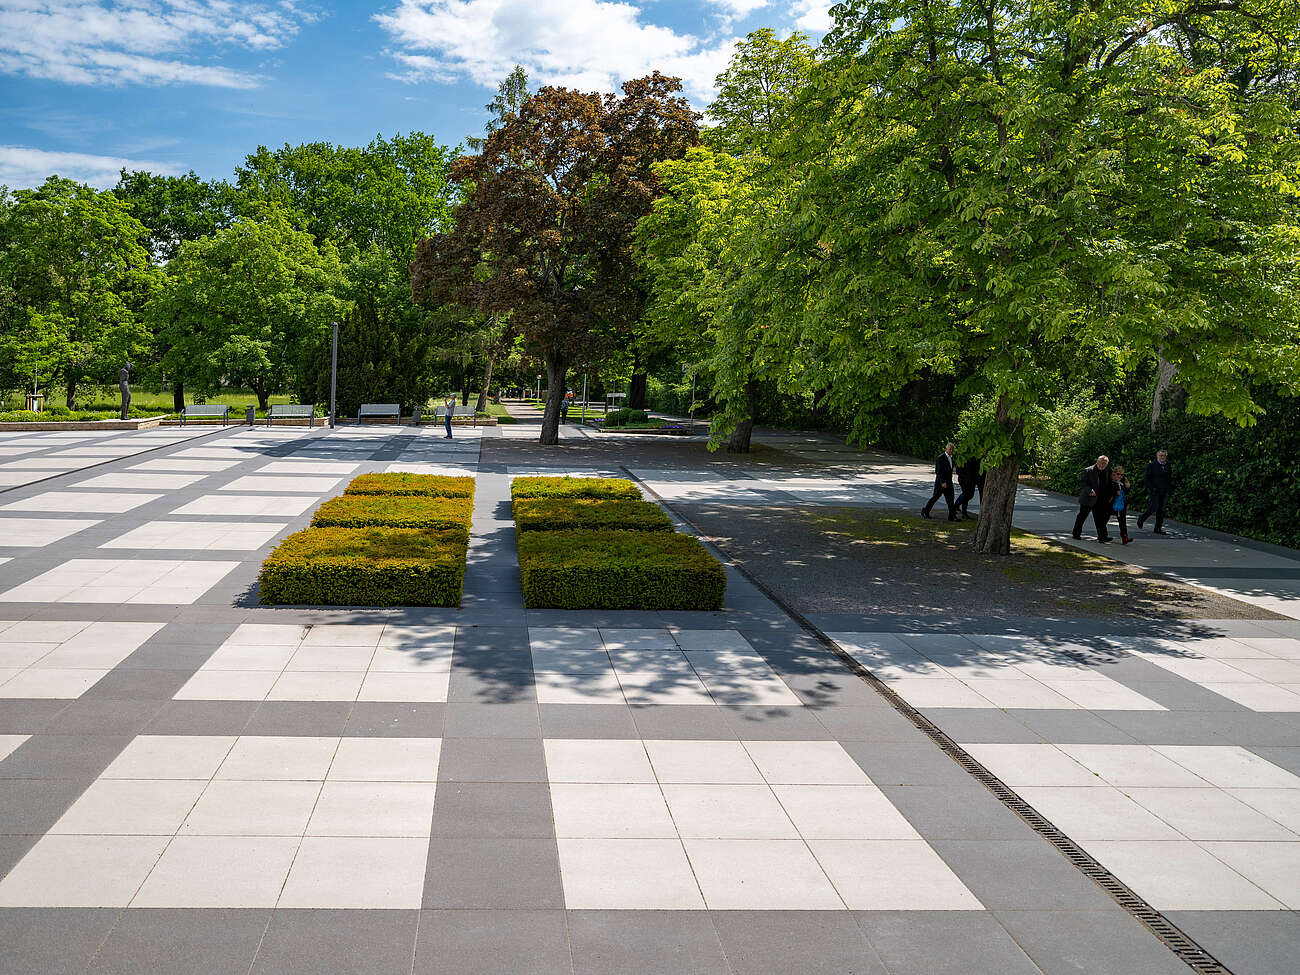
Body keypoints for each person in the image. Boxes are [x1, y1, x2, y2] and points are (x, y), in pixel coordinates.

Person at [1072, 455, 1111, 542]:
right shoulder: (1088, 470)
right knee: (1082, 516)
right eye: (1101, 463)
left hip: (1100, 499)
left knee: (1100, 519)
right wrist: (1090, 490)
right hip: (1088, 498)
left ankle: (1102, 537)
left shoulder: (1107, 470)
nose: (1102, 465)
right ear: (1097, 462)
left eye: (1105, 463)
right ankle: (1076, 534)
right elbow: (1082, 483)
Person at [1138, 449, 1174, 534]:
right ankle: (1141, 518)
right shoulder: (1151, 465)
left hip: (1164, 491)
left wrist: (1168, 488)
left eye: (1164, 456)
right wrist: (1151, 488)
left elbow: (1169, 477)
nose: (1162, 457)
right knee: (1154, 507)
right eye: (1160, 455)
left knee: (1161, 510)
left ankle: (1158, 528)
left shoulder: (1168, 465)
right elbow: (1146, 478)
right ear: (1157, 456)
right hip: (1154, 490)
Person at [922, 442, 959, 521]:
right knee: (935, 497)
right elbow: (938, 471)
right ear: (946, 449)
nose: (951, 451)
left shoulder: (952, 458)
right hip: (941, 483)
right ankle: (925, 511)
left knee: (950, 499)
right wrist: (943, 482)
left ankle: (952, 516)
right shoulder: (941, 458)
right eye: (950, 449)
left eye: (952, 449)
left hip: (949, 482)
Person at [955, 455, 984, 520]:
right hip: (965, 480)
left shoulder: (976, 457)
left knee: (969, 495)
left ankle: (962, 511)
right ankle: (957, 507)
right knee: (967, 495)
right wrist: (967, 478)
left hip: (973, 480)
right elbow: (958, 470)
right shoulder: (964, 457)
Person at [1109, 465, 1133, 545]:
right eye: (1118, 474)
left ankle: (1125, 537)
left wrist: (1127, 486)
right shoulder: (1111, 481)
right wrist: (1116, 488)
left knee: (1122, 520)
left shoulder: (1122, 481)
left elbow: (1125, 491)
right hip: (1111, 503)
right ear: (1114, 473)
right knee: (1104, 519)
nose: (1120, 476)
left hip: (1121, 504)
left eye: (1122, 474)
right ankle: (1101, 534)